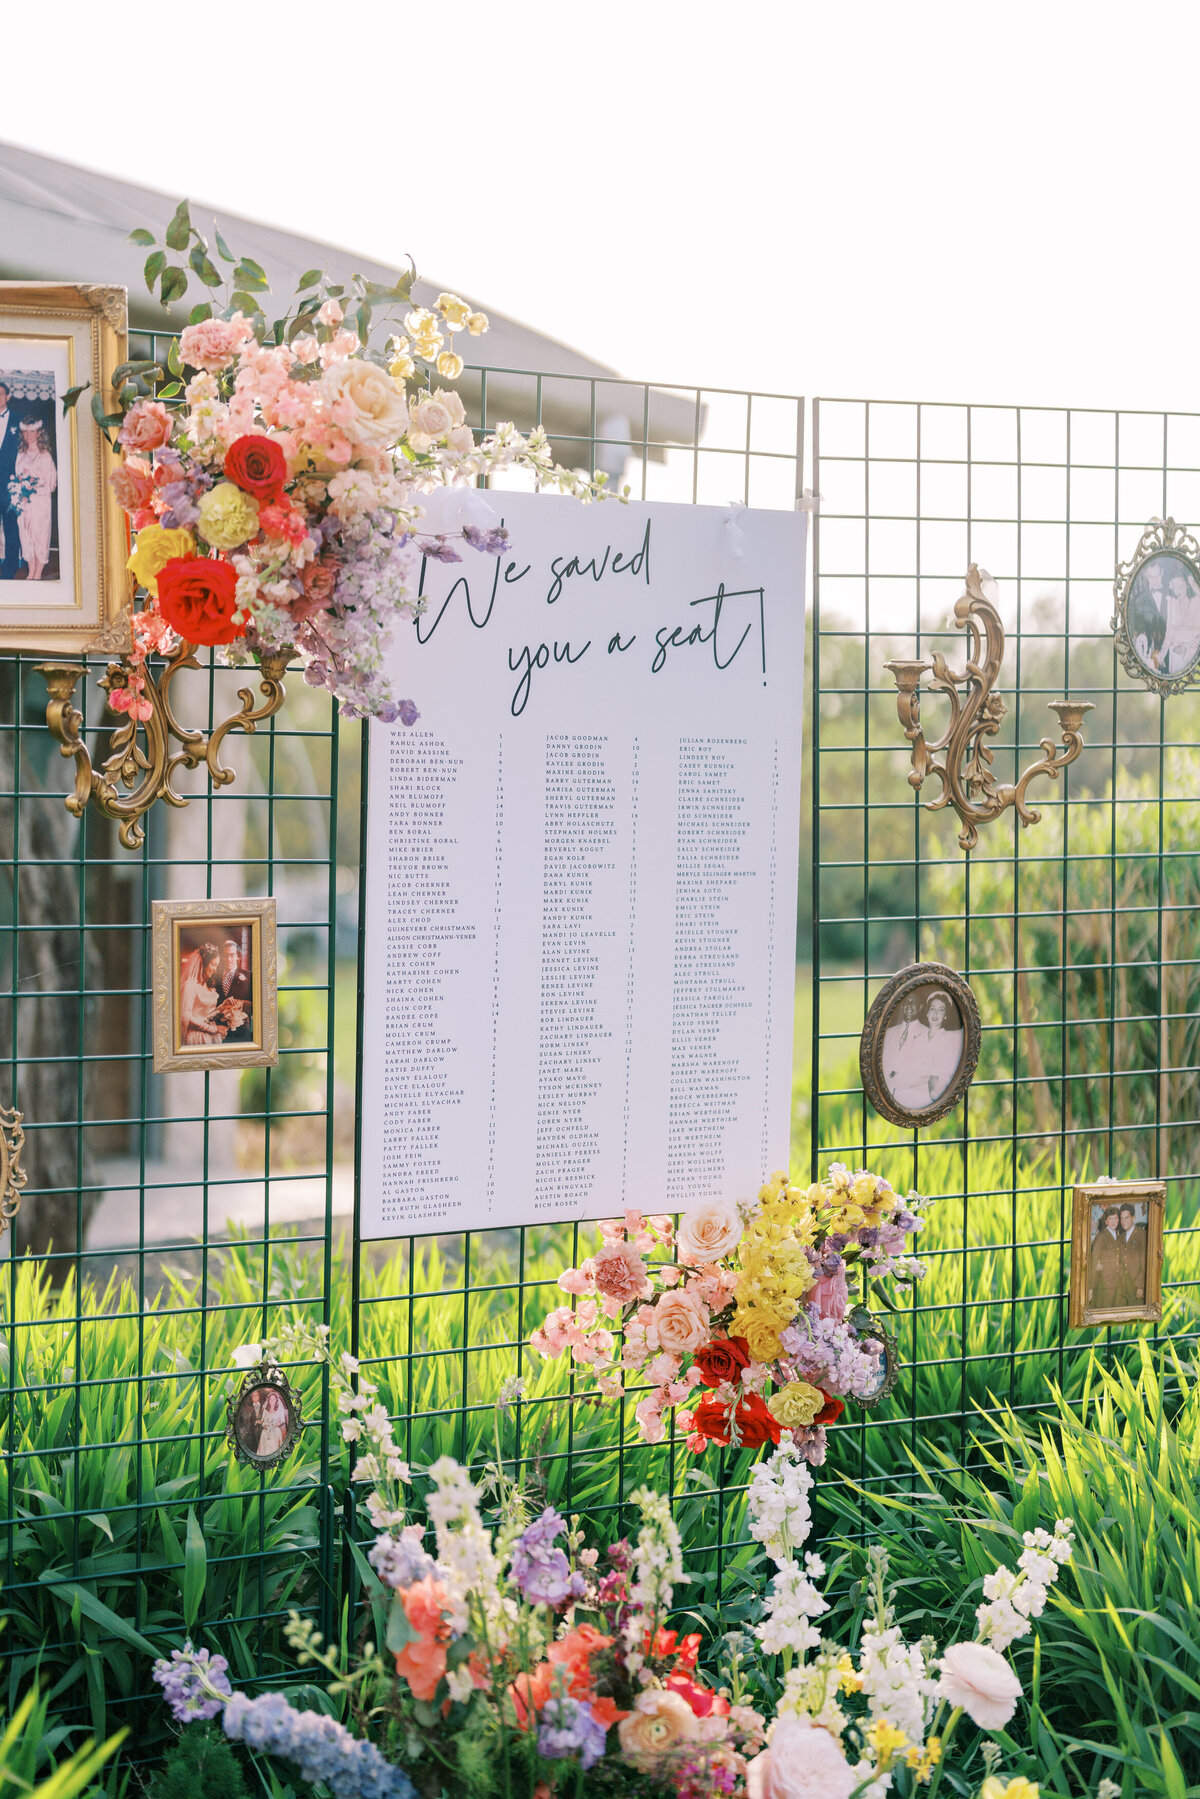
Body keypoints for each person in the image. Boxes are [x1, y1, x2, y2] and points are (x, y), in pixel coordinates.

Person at [886, 990, 963, 1111]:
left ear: (945, 1016)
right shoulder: (919, 1037)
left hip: (927, 1098)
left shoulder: (948, 1039)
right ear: (927, 1013)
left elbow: (939, 1077)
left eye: (941, 1010)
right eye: (933, 1009)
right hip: (904, 1093)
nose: (936, 1013)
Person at [12, 416, 57, 581]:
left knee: (39, 535)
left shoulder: (44, 455)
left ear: (39, 433)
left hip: (40, 503)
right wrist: (19, 491)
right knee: (26, 535)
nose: (29, 435)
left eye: (32, 431)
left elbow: (51, 484)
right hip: (24, 504)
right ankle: (30, 571)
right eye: (25, 431)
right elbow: (17, 477)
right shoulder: (21, 454)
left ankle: (38, 573)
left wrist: (34, 488)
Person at [178, 942, 230, 1047]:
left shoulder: (206, 986)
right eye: (213, 964)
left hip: (210, 1036)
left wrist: (222, 1007)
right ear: (204, 963)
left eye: (217, 965)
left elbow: (205, 1012)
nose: (215, 970)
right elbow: (185, 1017)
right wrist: (213, 1029)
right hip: (196, 1037)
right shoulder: (190, 986)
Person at [0, 383, 23, 579]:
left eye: (0, 394)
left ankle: (10, 567)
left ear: (7, 396)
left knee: (10, 526)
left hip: (9, 484)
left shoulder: (18, 419)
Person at [1161, 567, 1200, 676]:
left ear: (1187, 585)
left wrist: (1196, 643)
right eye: (1174, 587)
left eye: (1180, 586)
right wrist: (1162, 654)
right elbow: (1169, 633)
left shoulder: (1197, 601)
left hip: (1193, 654)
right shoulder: (1172, 603)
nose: (1177, 591)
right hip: (1176, 654)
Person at [217, 939, 254, 1043]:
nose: (228, 959)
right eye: (225, 955)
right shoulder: (214, 978)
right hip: (218, 1031)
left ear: (238, 956)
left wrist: (241, 1004)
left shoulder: (249, 976)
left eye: (232, 955)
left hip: (241, 1033)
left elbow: (259, 1005)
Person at [1088, 1205, 1124, 1310]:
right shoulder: (1101, 1237)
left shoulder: (1118, 1236)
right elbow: (1094, 1261)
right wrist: (1090, 1287)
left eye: (1115, 1218)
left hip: (1117, 1282)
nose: (1113, 1222)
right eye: (1110, 1219)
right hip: (1104, 1284)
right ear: (1106, 1221)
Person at [1118, 1202, 1148, 1306]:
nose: (1123, 1221)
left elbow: (1145, 1263)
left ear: (1133, 1218)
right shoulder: (1121, 1237)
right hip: (1123, 1288)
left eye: (1126, 1218)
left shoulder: (1142, 1235)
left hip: (1136, 1287)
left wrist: (1141, 1286)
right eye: (1121, 1218)